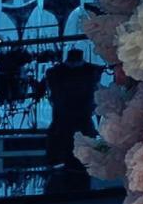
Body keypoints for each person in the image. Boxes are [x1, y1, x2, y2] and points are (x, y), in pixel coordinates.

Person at [43, 47, 103, 191]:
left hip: (74, 124)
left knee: (79, 165)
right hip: (65, 125)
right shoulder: (54, 73)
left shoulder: (91, 71)